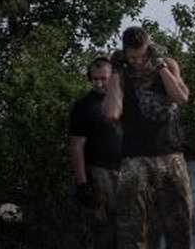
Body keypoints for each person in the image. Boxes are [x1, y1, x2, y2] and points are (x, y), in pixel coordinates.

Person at [103, 26, 192, 249]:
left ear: (148, 49)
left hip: (170, 153)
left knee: (179, 222)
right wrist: (114, 71)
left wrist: (160, 66)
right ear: (124, 53)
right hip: (135, 157)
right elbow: (112, 113)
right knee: (131, 226)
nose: (136, 62)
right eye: (131, 57)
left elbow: (181, 97)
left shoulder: (168, 64)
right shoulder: (122, 72)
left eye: (141, 56)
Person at [70, 57, 123, 249]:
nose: (100, 83)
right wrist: (82, 183)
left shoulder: (124, 99)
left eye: (104, 78)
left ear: (113, 77)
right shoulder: (83, 106)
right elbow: (76, 145)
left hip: (130, 169)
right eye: (95, 79)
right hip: (100, 173)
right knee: (105, 231)